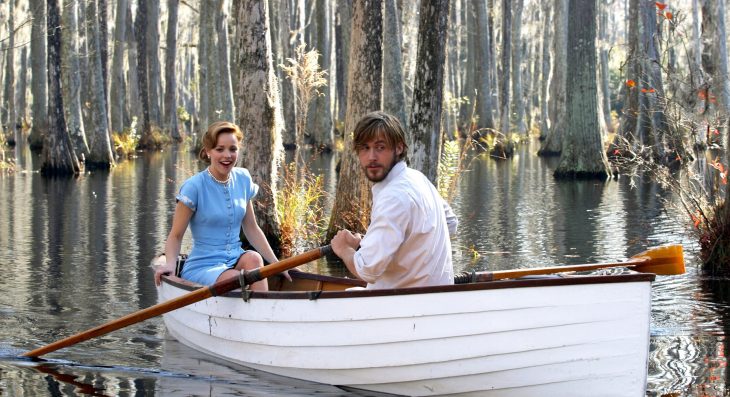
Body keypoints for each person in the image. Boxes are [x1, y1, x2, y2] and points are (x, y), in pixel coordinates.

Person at [330, 111, 458, 289]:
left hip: (402, 305)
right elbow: (451, 223)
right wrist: (377, 243)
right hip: (435, 298)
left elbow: (366, 270)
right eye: (364, 148)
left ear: (399, 148)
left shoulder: (393, 197)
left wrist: (344, 249)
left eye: (380, 147)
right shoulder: (417, 178)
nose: (372, 157)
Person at [153, 121, 282, 291]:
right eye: (220, 149)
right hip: (204, 266)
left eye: (232, 149)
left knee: (254, 259)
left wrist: (277, 264)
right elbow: (176, 236)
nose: (227, 155)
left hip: (236, 258)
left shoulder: (243, 178)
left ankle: (262, 313)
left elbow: (251, 228)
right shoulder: (194, 187)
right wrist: (170, 264)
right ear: (208, 151)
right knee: (236, 279)